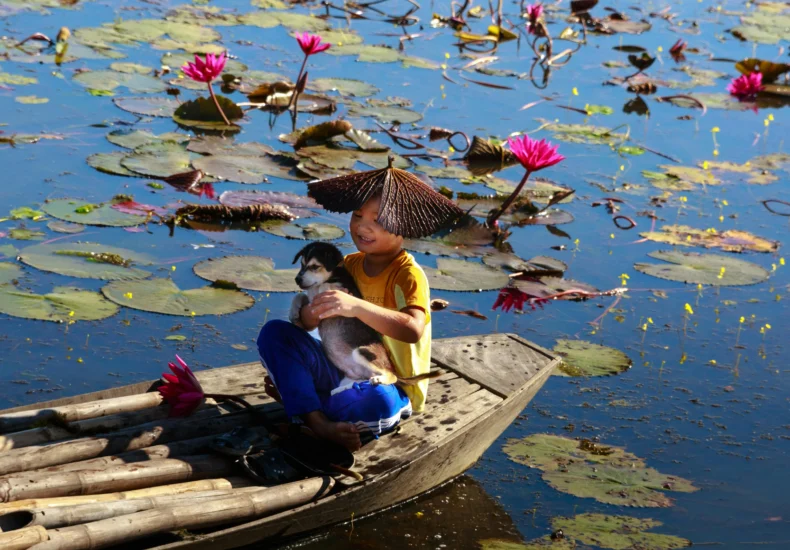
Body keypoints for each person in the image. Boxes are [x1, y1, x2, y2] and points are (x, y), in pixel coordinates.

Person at [257, 192, 431, 451]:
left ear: (403, 227)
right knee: (275, 333)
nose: (363, 226)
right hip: (339, 368)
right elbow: (308, 324)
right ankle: (318, 422)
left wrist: (357, 307)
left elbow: (413, 329)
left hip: (388, 384)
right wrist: (312, 313)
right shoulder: (348, 265)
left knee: (377, 399)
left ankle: (302, 403)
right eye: (358, 216)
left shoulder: (408, 275)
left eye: (378, 220)